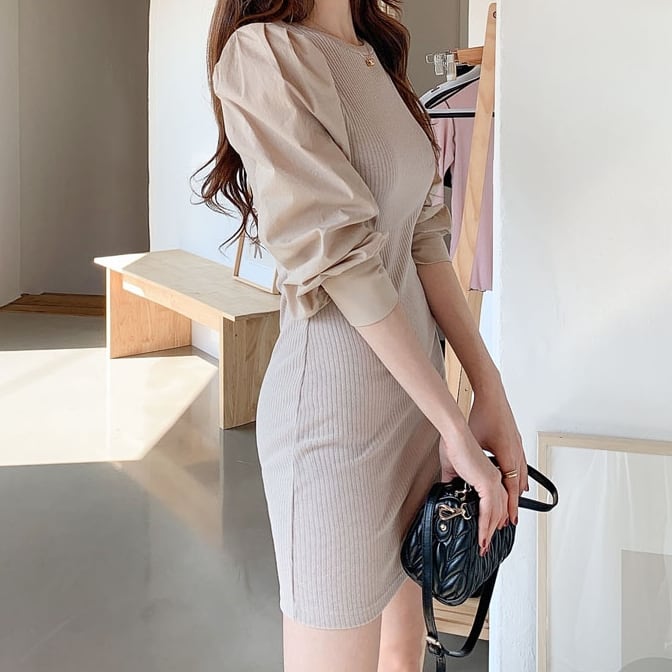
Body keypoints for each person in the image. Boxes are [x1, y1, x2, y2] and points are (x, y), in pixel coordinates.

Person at [198, 1, 529, 670]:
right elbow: (345, 263)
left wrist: (487, 391)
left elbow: (423, 239)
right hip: (335, 429)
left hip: (415, 416)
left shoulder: (372, 57)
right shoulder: (266, 54)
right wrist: (454, 424)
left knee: (403, 655)